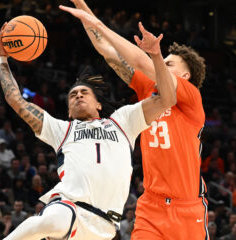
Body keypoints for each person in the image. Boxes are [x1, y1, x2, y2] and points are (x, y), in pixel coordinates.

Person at [0, 9, 175, 238]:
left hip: (104, 227)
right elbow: (16, 101)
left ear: (99, 104)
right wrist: (2, 59)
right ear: (69, 111)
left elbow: (167, 99)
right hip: (69, 208)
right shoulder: (62, 129)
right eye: (72, 95)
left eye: (84, 92)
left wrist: (157, 57)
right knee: (40, 224)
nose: (78, 96)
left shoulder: (123, 121)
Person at [60, 1, 208, 239]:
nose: (160, 67)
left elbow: (143, 62)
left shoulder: (191, 98)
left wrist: (155, 56)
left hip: (187, 209)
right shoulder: (148, 89)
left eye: (168, 64)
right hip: (152, 205)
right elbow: (107, 50)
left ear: (185, 76)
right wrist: (85, 11)